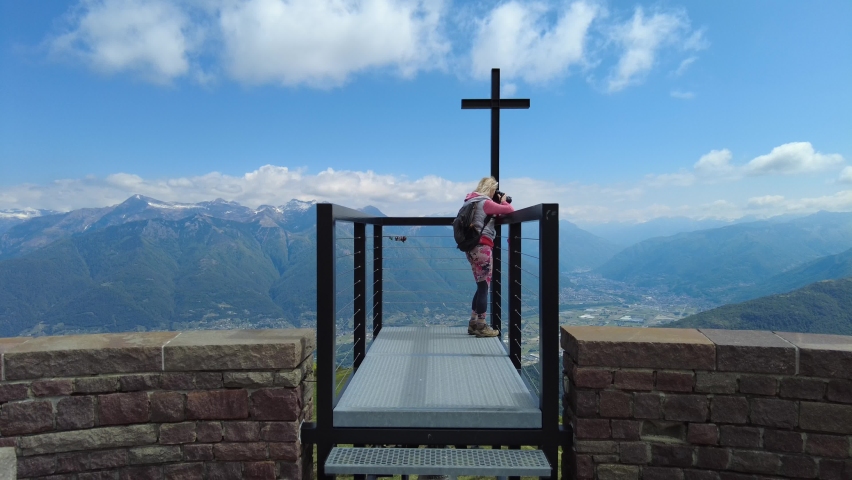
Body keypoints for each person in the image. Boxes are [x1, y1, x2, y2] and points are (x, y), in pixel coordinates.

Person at [463, 176, 515, 338]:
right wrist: (504, 201)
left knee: (480, 285)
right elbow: (510, 211)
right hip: (483, 248)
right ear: (491, 189)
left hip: (470, 248)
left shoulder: (470, 202)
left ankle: (473, 323)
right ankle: (482, 326)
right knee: (484, 287)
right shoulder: (485, 203)